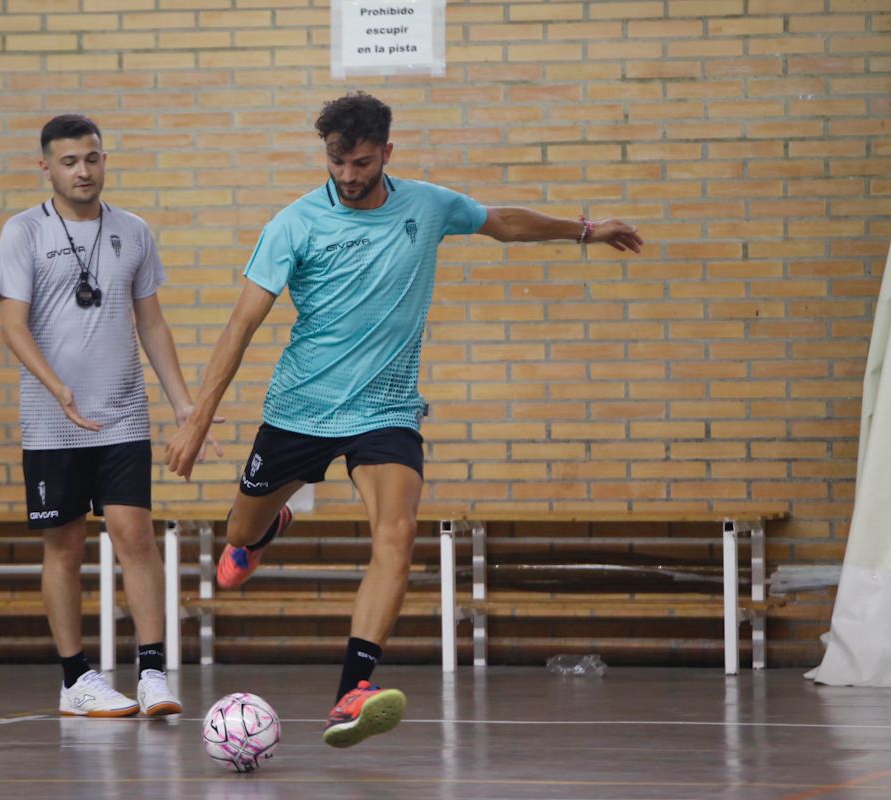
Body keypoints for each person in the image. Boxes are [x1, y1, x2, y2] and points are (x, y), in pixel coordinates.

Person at [165, 92, 643, 747]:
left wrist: (583, 231)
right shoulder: (294, 225)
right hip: (300, 410)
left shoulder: (428, 204)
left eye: (362, 161)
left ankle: (352, 691)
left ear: (388, 152)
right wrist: (197, 419)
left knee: (396, 533)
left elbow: (501, 221)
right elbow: (242, 325)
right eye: (338, 162)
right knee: (239, 528)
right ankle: (262, 529)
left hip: (386, 410)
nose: (350, 176)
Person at [0, 114, 219, 718]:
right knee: (63, 546)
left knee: (134, 536)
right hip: (52, 421)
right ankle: (76, 680)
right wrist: (57, 388)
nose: (83, 170)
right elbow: (13, 326)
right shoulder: (22, 233)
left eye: (92, 158)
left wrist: (185, 404)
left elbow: (152, 321)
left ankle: (151, 673)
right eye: (69, 162)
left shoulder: (133, 231)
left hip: (122, 414)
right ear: (47, 167)